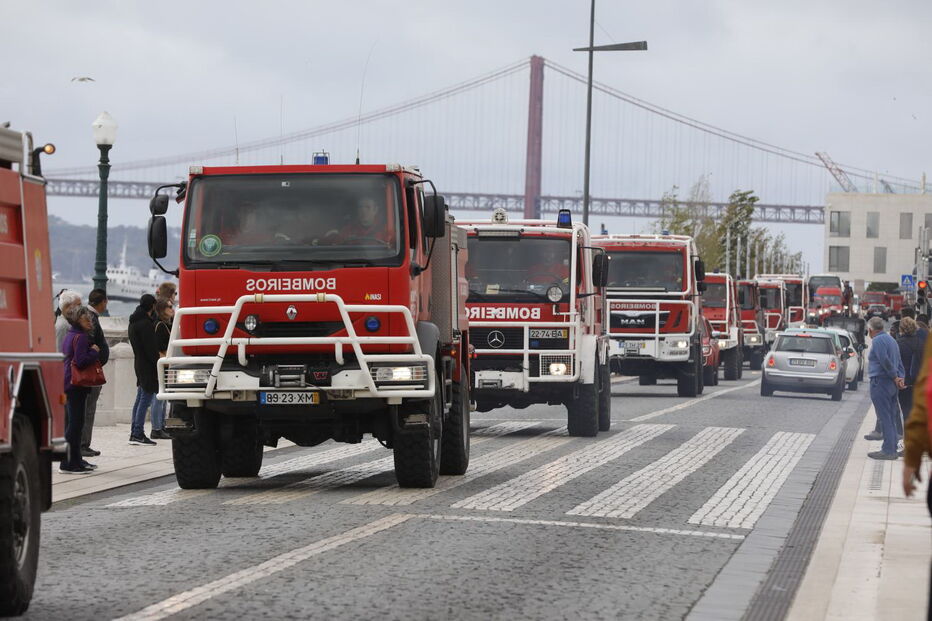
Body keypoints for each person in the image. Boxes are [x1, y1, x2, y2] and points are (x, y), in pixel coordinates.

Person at [60, 306, 100, 474]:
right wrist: (94, 352)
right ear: (78, 320)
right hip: (76, 384)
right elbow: (81, 361)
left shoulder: (70, 334)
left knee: (75, 423)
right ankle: (68, 462)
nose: (90, 321)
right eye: (86, 319)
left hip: (68, 382)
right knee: (76, 424)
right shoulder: (81, 337)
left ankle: (76, 460)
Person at [866, 316, 906, 460]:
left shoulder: (877, 341)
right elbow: (899, 361)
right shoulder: (892, 340)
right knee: (891, 415)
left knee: (884, 417)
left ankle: (888, 450)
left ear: (870, 330)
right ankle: (892, 446)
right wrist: (900, 377)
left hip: (881, 381)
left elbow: (884, 360)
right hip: (891, 384)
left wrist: (894, 376)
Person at [127, 294, 160, 446]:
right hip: (147, 365)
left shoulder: (133, 322)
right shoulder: (145, 324)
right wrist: (158, 363)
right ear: (152, 306)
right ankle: (138, 433)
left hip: (138, 362)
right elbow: (151, 349)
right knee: (145, 398)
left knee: (140, 397)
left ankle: (134, 431)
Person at [81, 289, 110, 457]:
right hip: (91, 373)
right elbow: (90, 343)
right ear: (103, 302)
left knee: (87, 410)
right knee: (88, 410)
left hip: (93, 369)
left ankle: (84, 444)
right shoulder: (91, 319)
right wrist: (96, 353)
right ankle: (84, 444)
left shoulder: (89, 316)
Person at [149, 299, 175, 440]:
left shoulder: (167, 324)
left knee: (163, 398)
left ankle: (162, 425)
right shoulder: (160, 326)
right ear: (162, 309)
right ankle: (156, 428)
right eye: (169, 307)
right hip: (162, 364)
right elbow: (159, 348)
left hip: (165, 364)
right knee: (158, 398)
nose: (172, 309)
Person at [896, 316, 924, 435]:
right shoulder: (922, 343)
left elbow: (896, 363)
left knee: (906, 412)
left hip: (904, 383)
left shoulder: (898, 343)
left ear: (901, 329)